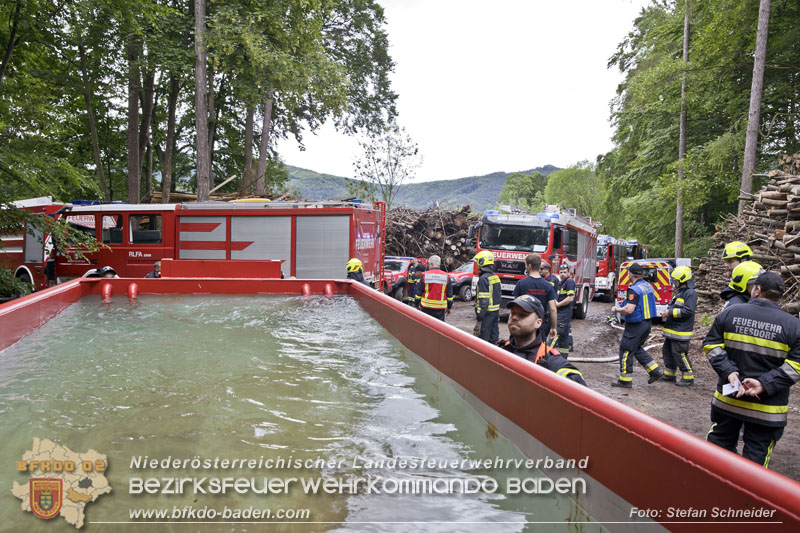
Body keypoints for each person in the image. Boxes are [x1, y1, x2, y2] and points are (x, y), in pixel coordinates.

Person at [703, 271, 800, 467]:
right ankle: (745, 498)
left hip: (728, 401)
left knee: (717, 452)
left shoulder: (730, 313)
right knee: (754, 465)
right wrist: (764, 384)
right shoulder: (794, 326)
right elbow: (796, 366)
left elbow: (711, 346)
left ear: (757, 290)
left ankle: (712, 490)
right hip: (767, 411)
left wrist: (730, 372)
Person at [497, 295, 587, 386]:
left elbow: (579, 385)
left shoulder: (548, 359)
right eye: (512, 313)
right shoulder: (499, 350)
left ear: (538, 323)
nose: (514, 318)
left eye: (522, 315)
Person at [610, 263, 664, 387]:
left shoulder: (634, 289)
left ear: (632, 274)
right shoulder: (648, 286)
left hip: (636, 324)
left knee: (626, 349)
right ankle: (655, 370)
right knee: (637, 348)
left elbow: (629, 309)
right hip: (647, 323)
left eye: (628, 272)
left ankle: (625, 380)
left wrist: (616, 310)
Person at [659, 266, 697, 386]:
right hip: (672, 329)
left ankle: (688, 376)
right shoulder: (680, 291)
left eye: (676, 280)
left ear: (682, 280)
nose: (674, 282)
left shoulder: (690, 293)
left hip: (681, 331)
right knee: (667, 351)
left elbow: (688, 311)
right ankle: (670, 374)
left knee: (679, 353)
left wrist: (670, 312)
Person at [512, 253, 557, 341]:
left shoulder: (521, 283)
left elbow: (515, 305)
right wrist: (554, 327)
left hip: (524, 323)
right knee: (539, 349)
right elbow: (553, 308)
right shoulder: (548, 285)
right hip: (540, 323)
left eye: (525, 265)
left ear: (529, 266)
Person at [473, 251, 501, 343]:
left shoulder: (483, 278)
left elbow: (484, 301)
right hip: (495, 312)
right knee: (494, 338)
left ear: (482, 262)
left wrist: (480, 315)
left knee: (484, 340)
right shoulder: (496, 277)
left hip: (486, 313)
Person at [415, 255, 454, 321]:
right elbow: (449, 294)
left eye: (429, 264)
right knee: (438, 328)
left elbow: (419, 292)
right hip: (440, 308)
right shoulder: (446, 276)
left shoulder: (424, 275)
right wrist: (449, 307)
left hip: (426, 307)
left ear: (431, 264)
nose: (428, 266)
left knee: (426, 327)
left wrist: (416, 304)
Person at [555, 264, 575, 357]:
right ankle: (564, 358)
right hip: (563, 312)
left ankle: (545, 357)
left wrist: (558, 304)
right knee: (564, 339)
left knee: (555, 335)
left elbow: (570, 298)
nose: (562, 274)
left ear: (569, 273)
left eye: (564, 272)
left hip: (564, 312)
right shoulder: (561, 283)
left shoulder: (569, 282)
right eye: (561, 272)